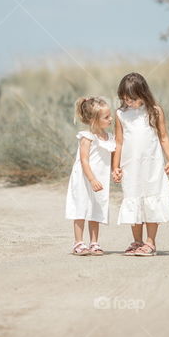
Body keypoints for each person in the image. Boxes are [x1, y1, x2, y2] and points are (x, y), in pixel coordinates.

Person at [112, 72, 169, 256]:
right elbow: (119, 142)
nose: (129, 102)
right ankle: (137, 241)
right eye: (125, 98)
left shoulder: (154, 111)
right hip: (130, 166)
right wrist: (115, 167)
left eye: (132, 98)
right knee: (133, 197)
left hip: (152, 165)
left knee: (151, 198)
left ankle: (150, 242)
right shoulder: (121, 114)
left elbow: (163, 137)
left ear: (143, 94)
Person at [65, 96, 116, 256]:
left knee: (96, 208)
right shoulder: (87, 137)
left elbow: (112, 157)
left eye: (110, 116)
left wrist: (115, 170)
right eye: (106, 117)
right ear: (94, 120)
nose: (111, 119)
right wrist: (91, 179)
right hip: (84, 178)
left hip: (100, 179)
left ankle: (94, 242)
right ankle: (78, 243)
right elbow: (84, 160)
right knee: (81, 208)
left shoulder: (109, 138)